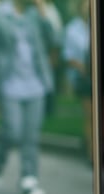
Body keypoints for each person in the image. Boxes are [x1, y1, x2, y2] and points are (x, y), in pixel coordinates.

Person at [0, 0, 54, 194]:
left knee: (30, 135)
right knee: (12, 130)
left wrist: (42, 10)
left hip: (35, 84)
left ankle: (29, 180)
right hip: (9, 82)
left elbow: (53, 39)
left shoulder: (34, 15)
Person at [62, 0, 92, 162]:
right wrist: (85, 67)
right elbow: (68, 56)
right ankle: (91, 154)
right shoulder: (73, 30)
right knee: (90, 115)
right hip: (84, 78)